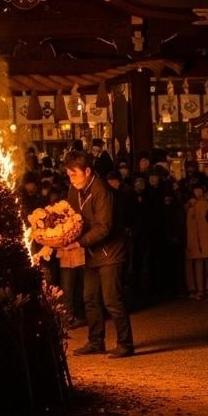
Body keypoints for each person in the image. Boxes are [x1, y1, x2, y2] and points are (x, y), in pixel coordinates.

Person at [64, 152, 134, 358]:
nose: (71, 178)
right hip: (91, 252)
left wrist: (78, 242)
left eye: (74, 174)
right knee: (90, 298)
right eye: (68, 175)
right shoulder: (74, 190)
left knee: (112, 299)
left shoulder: (102, 191)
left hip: (110, 252)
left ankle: (125, 343)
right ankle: (96, 341)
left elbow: (104, 227)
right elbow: (70, 215)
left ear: (87, 171)